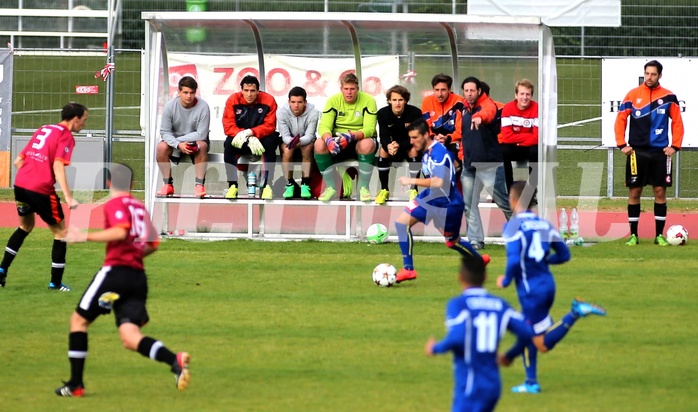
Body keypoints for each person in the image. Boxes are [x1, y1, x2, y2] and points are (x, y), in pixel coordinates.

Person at [55, 163, 190, 397]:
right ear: (130, 184)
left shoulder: (116, 204)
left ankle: (76, 384)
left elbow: (120, 231)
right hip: (137, 277)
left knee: (78, 321)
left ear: (108, 184)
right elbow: (153, 243)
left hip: (116, 272)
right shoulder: (138, 206)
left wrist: (83, 236)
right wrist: (135, 255)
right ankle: (174, 360)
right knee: (130, 337)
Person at [425, 254, 607, 411]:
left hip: (471, 384)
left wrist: (436, 348)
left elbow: (457, 336)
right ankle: (531, 380)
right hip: (493, 385)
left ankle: (573, 315)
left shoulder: (458, 304)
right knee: (541, 343)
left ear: (460, 277)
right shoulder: (500, 305)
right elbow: (528, 334)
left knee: (542, 345)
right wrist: (510, 355)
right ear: (485, 277)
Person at [495, 181, 606, 393]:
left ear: (515, 200)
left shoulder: (513, 225)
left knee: (538, 341)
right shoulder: (544, 224)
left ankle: (574, 313)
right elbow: (564, 254)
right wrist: (545, 262)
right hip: (548, 286)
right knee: (534, 333)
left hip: (531, 290)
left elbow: (513, 261)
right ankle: (530, 381)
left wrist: (506, 280)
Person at [0, 102, 86, 291]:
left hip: (20, 184)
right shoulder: (66, 136)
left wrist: (31, 176)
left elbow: (18, 161)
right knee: (61, 233)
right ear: (75, 119)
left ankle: (1, 270)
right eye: (84, 120)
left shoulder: (44, 129)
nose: (84, 124)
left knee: (25, 226)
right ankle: (55, 283)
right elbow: (57, 166)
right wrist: (69, 197)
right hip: (40, 189)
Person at [393, 118, 488, 284]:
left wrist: (411, 181)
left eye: (415, 138)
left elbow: (439, 181)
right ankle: (408, 269)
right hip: (431, 197)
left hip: (447, 203)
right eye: (411, 138)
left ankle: (478, 260)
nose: (412, 142)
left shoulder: (438, 153)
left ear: (426, 135)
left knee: (452, 242)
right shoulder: (429, 151)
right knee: (401, 224)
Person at [614, 60, 684, 246]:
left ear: (660, 75)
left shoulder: (669, 97)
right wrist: (622, 144)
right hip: (637, 153)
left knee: (660, 191)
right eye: (647, 73)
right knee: (635, 191)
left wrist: (675, 146)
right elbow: (620, 119)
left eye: (653, 74)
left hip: (660, 153)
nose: (649, 77)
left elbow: (677, 123)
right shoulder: (632, 95)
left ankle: (659, 235)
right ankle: (633, 235)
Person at [459, 76, 512, 250]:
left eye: (472, 90)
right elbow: (463, 137)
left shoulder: (488, 105)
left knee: (503, 202)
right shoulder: (464, 110)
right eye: (466, 91)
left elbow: (487, 113)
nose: (469, 94)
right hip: (469, 166)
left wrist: (479, 117)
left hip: (489, 165)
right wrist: (461, 155)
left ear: (479, 91)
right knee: (469, 205)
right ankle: (476, 240)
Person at [315, 72, 377, 202]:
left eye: (352, 89)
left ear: (357, 89)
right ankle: (331, 187)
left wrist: (351, 136)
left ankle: (363, 187)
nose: (349, 92)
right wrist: (329, 140)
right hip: (337, 140)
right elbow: (324, 126)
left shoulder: (368, 100)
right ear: (341, 89)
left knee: (367, 143)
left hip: (357, 140)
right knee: (319, 144)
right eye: (346, 89)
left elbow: (370, 129)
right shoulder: (333, 100)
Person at [223, 75, 279, 200]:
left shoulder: (269, 100)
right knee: (228, 144)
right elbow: (228, 126)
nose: (249, 94)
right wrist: (245, 135)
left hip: (262, 138)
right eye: (246, 90)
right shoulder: (232, 100)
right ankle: (232, 185)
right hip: (241, 137)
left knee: (270, 143)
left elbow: (270, 126)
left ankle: (267, 185)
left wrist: (251, 132)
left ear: (258, 91)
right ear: (241, 90)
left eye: (253, 91)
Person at [156, 76, 211, 199]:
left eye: (192, 93)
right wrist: (177, 144)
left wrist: (180, 141)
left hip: (194, 142)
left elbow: (201, 134)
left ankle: (199, 185)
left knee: (202, 145)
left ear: (195, 93)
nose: (188, 96)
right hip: (175, 143)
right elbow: (164, 132)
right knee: (161, 147)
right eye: (185, 92)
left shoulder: (203, 107)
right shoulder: (170, 106)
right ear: (179, 92)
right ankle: (168, 184)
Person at [375, 85, 423, 205]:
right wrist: (389, 146)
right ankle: (384, 189)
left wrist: (399, 146)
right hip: (392, 147)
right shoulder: (382, 113)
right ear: (389, 101)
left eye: (400, 100)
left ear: (406, 100)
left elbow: (415, 138)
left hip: (407, 145)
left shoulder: (415, 113)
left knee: (414, 150)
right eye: (394, 100)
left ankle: (413, 190)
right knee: (382, 150)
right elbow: (384, 136)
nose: (397, 103)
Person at [277, 86, 319, 199]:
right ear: (288, 102)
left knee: (307, 148)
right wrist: (291, 142)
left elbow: (310, 135)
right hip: (289, 142)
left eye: (300, 102)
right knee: (287, 150)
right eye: (293, 102)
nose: (296, 105)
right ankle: (289, 184)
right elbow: (284, 135)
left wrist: (299, 141)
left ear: (305, 102)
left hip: (305, 143)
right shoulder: (281, 112)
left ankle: (305, 184)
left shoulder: (314, 112)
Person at [500, 79, 539, 191]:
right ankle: (510, 189)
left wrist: (517, 140)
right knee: (503, 151)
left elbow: (537, 137)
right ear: (516, 95)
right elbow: (507, 137)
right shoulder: (507, 108)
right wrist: (526, 136)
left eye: (528, 94)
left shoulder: (537, 108)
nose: (524, 97)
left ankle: (532, 190)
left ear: (531, 96)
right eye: (522, 94)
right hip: (514, 148)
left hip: (529, 148)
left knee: (535, 152)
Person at [420, 73, 463, 165]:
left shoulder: (459, 101)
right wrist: (433, 137)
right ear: (433, 89)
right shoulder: (427, 101)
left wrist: (447, 138)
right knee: (427, 158)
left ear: (449, 89)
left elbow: (461, 128)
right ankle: (430, 178)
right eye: (437, 90)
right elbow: (426, 126)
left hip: (453, 138)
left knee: (454, 158)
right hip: (433, 138)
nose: (439, 94)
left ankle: (454, 176)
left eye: (443, 90)